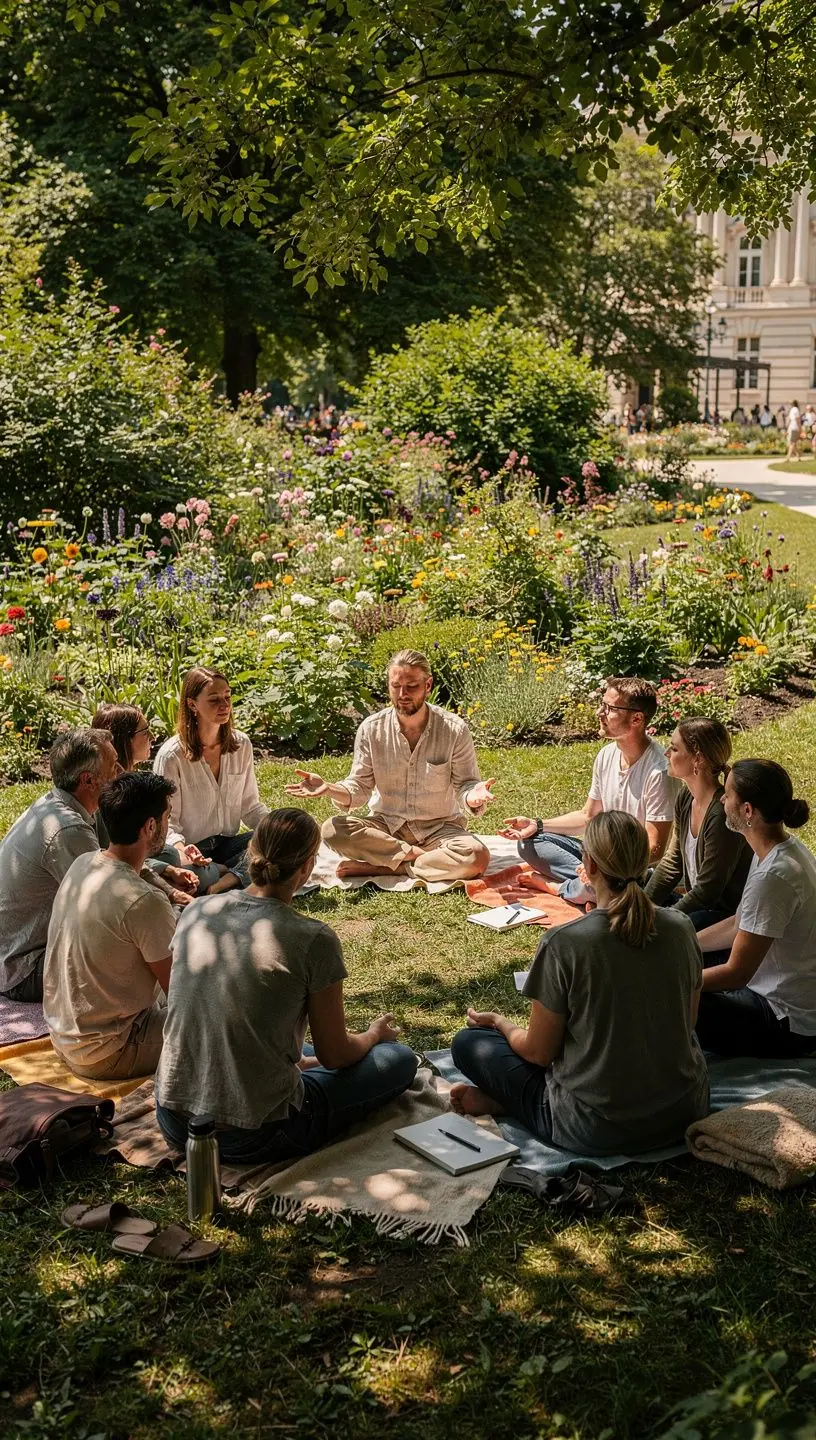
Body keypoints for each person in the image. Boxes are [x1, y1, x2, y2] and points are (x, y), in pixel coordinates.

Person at [155, 809, 419, 1162]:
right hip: (253, 1132)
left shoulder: (198, 911)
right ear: (308, 867)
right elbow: (335, 1055)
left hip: (173, 1117)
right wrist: (373, 1036)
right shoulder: (313, 939)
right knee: (397, 1059)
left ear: (250, 853)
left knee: (295, 1050)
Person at [449, 811, 709, 1155]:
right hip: (682, 1113)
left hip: (594, 1127)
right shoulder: (680, 927)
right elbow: (687, 1023)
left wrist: (500, 1023)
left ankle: (512, 1103)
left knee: (470, 1043)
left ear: (590, 864)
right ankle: (511, 1101)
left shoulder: (565, 942)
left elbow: (539, 1053)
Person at [286, 649, 493, 883]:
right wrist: (329, 788)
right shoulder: (371, 728)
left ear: (428, 685)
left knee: (477, 856)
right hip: (386, 827)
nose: (402, 694)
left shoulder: (454, 728)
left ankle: (393, 868)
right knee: (332, 829)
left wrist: (473, 795)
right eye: (396, 686)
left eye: (412, 686)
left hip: (439, 828)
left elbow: (466, 784)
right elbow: (360, 787)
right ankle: (418, 859)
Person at [43, 773, 177, 1080]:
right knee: (224, 1016)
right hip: (109, 1052)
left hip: (64, 1039)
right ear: (150, 826)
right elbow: (182, 993)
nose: (168, 825)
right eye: (167, 817)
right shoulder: (145, 901)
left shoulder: (84, 863)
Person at [500, 677, 673, 905]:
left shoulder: (658, 772)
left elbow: (655, 850)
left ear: (636, 719)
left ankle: (562, 888)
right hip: (600, 856)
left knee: (612, 884)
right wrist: (538, 824)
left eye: (610, 708)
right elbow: (588, 816)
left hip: (634, 870)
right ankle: (591, 888)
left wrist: (603, 868)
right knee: (529, 842)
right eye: (602, 705)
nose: (600, 713)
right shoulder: (606, 756)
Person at [695, 761, 816, 1058]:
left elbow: (737, 973)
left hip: (786, 1021)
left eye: (729, 794)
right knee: (694, 928)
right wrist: (686, 941)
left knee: (671, 998)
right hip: (771, 985)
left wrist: (673, 980)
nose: (722, 799)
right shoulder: (777, 849)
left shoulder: (774, 877)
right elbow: (740, 923)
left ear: (747, 811)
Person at [0, 728, 120, 1001]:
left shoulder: (55, 805)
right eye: (114, 766)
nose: (120, 772)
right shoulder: (68, 829)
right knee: (131, 949)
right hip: (24, 969)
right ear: (88, 780)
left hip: (18, 955)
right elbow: (110, 906)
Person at [153, 667, 269, 893]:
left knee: (275, 842)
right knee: (187, 873)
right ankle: (232, 873)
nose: (224, 705)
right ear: (192, 704)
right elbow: (166, 823)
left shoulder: (241, 745)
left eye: (227, 697)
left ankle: (226, 879)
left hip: (228, 843)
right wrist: (183, 850)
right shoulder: (171, 756)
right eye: (214, 699)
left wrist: (282, 826)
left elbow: (250, 806)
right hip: (190, 850)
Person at [91, 702, 206, 899]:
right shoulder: (114, 792)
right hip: (121, 873)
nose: (152, 737)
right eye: (145, 731)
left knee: (173, 855)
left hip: (139, 862)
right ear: (125, 739)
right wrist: (168, 871)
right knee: (178, 860)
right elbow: (115, 854)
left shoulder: (132, 780)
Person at [645, 719, 752, 929]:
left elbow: (708, 891)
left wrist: (656, 919)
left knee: (660, 932)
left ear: (698, 760)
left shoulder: (721, 814)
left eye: (674, 748)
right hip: (698, 904)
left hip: (720, 917)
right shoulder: (686, 797)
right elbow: (672, 862)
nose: (666, 753)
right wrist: (643, 906)